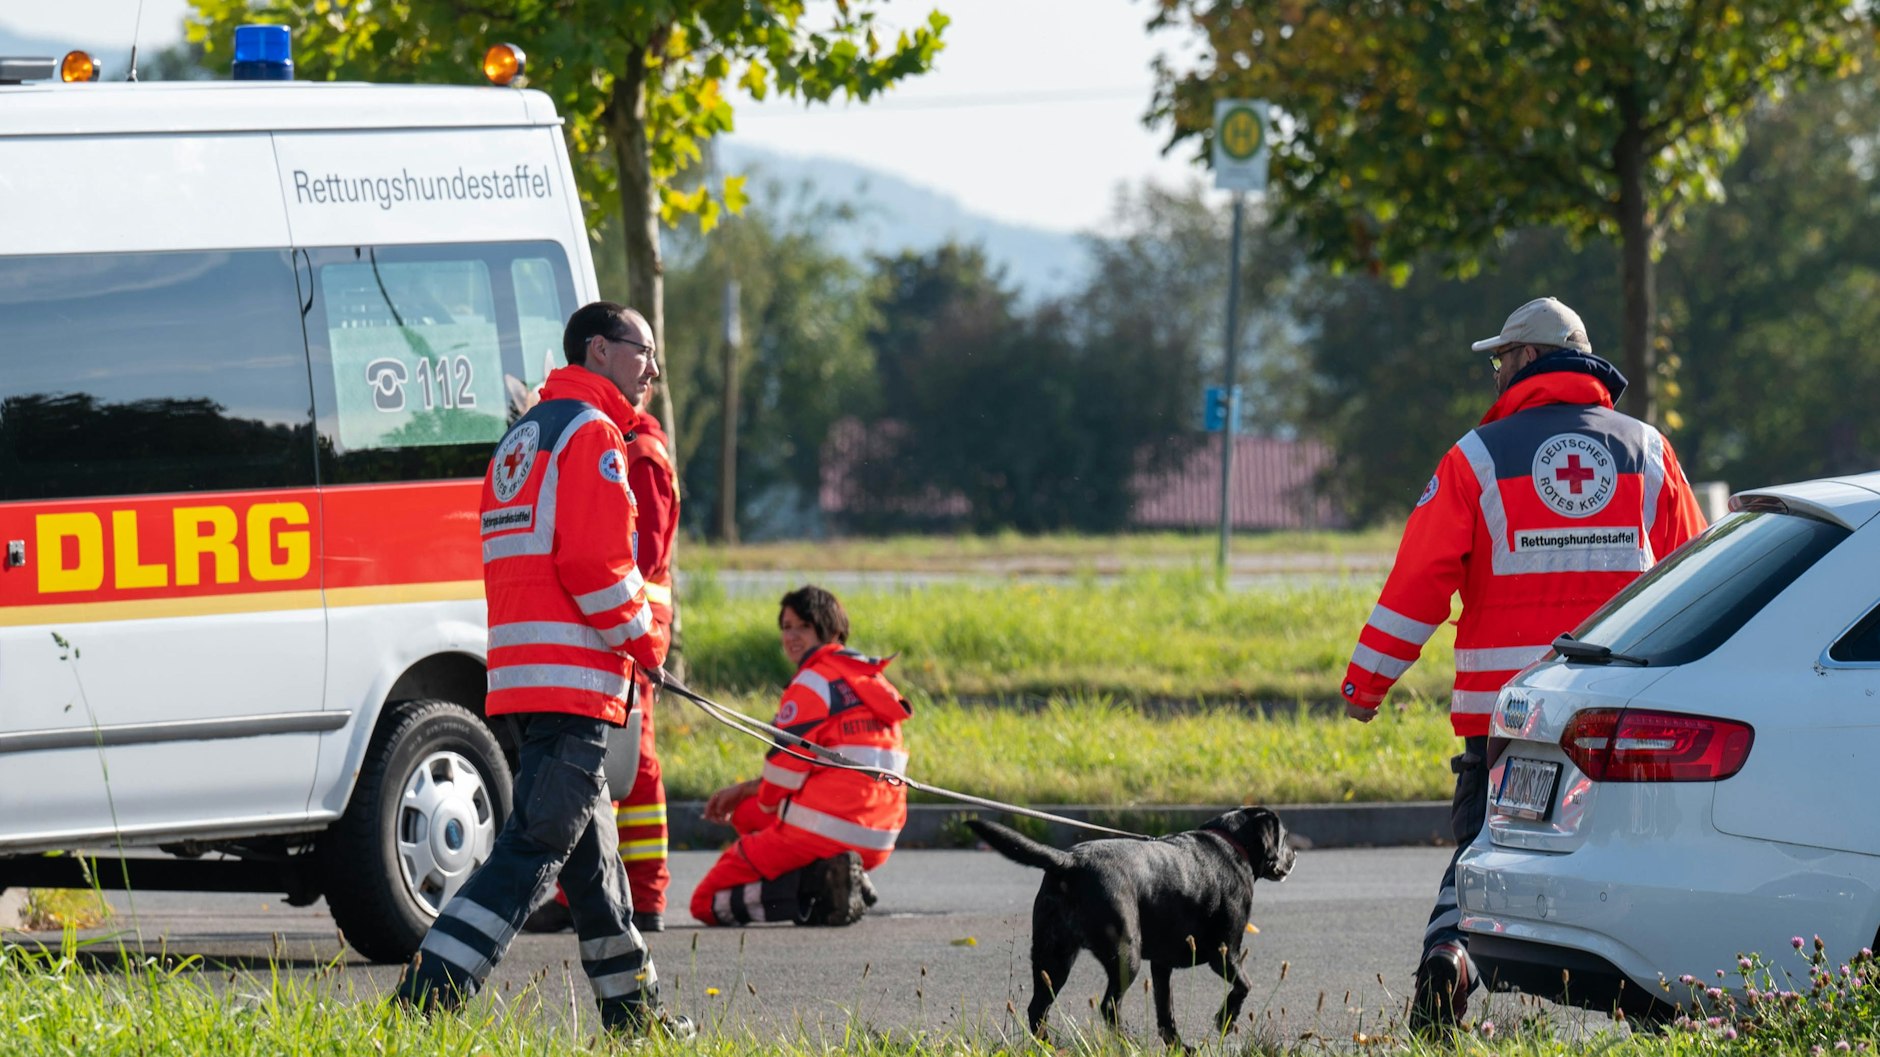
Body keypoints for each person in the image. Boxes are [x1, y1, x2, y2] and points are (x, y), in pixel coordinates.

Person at [1338, 296, 1706, 1034]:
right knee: (1635, 863)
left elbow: (1418, 583)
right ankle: (1661, 1015)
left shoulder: (1476, 456)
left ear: (1534, 358)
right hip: (1618, 715)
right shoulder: (1648, 450)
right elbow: (1694, 580)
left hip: (1508, 716)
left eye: (1504, 357)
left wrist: (1366, 683)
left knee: (1484, 854)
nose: (1498, 370)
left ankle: (1452, 957)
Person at [394, 301, 691, 1039]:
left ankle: (634, 1016)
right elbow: (595, 563)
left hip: (527, 677)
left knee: (593, 864)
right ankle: (425, 1002)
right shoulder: (592, 435)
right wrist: (649, 640)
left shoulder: (523, 435)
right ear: (598, 349)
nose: (652, 366)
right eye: (641, 348)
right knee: (532, 848)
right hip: (575, 681)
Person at [524, 387, 682, 935]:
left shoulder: (636, 450)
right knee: (609, 770)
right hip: (617, 625)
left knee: (630, 765)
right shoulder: (614, 440)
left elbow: (641, 555)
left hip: (628, 630)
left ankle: (642, 893)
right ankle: (596, 895)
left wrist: (634, 632)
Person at [689, 585, 912, 927]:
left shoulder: (812, 683)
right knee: (749, 812)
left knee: (706, 903)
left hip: (825, 829)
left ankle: (818, 887)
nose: (792, 636)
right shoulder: (873, 682)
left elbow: (783, 776)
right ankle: (836, 879)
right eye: (786, 627)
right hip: (879, 837)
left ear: (832, 630)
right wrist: (748, 792)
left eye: (803, 627)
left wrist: (764, 810)